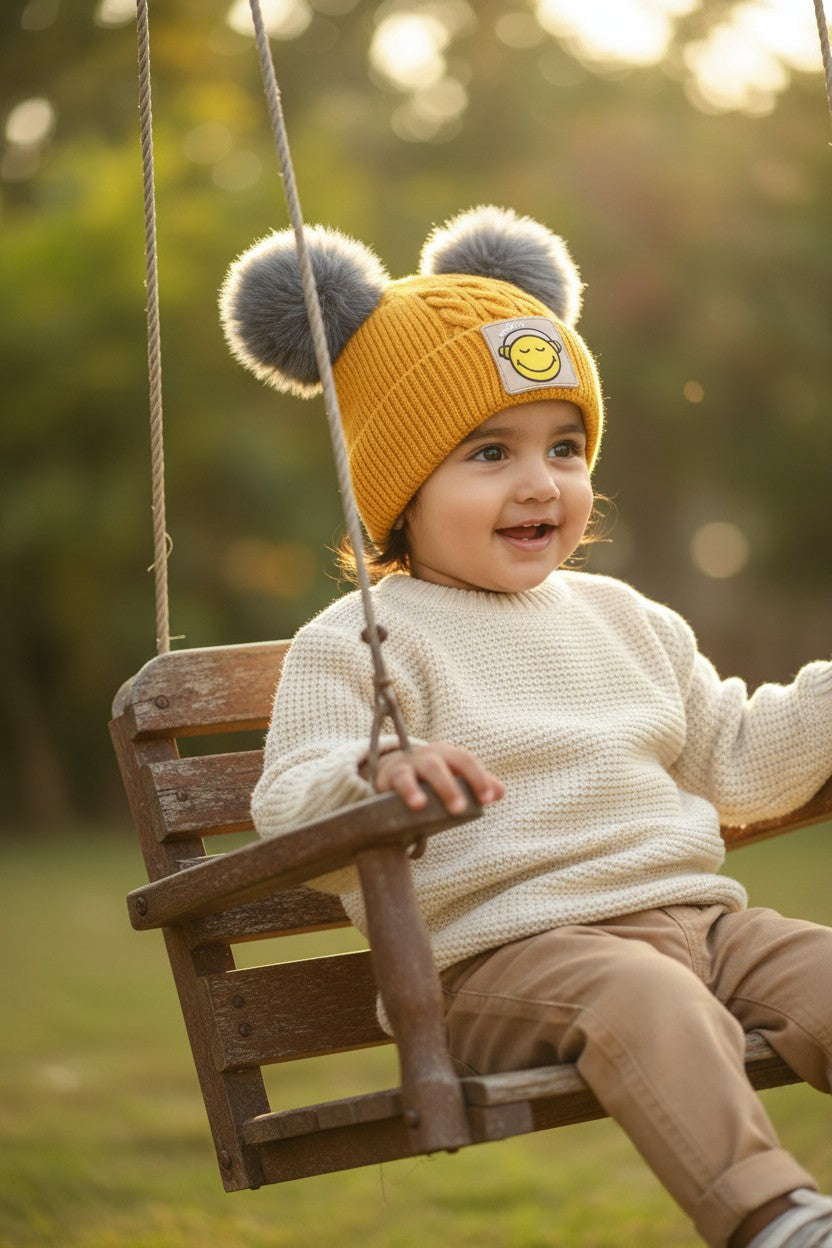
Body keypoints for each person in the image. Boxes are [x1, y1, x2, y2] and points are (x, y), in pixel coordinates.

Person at [220, 205, 832, 1248]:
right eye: (489, 453)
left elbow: (733, 762)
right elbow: (288, 802)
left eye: (563, 445)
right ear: (398, 491)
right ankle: (776, 1220)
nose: (540, 481)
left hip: (701, 928)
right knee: (638, 995)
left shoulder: (625, 619)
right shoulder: (366, 638)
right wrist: (380, 776)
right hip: (506, 961)